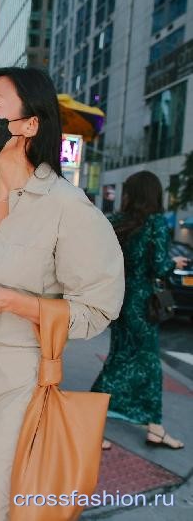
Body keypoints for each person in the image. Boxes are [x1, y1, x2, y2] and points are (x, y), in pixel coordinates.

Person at [0, 66, 125, 521]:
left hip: (19, 379)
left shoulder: (69, 210)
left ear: (29, 125)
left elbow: (97, 309)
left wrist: (10, 301)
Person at [91, 171, 188, 450]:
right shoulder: (155, 222)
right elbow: (159, 265)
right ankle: (89, 424)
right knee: (142, 364)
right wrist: (175, 263)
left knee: (124, 358)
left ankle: (154, 427)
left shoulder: (118, 222)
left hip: (120, 298)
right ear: (153, 194)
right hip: (143, 303)